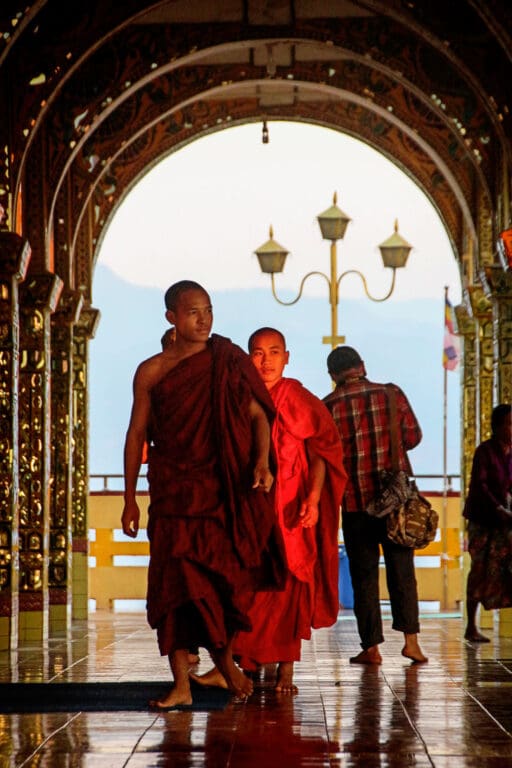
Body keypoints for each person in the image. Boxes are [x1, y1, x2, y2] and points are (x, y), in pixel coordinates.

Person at [121, 281, 287, 709]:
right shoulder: (152, 371)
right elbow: (136, 433)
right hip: (174, 493)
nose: (204, 319)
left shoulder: (226, 361)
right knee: (171, 590)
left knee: (220, 584)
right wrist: (128, 498)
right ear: (171, 318)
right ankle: (181, 684)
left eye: (208, 310)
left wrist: (263, 462)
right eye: (193, 311)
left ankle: (223, 659)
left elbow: (258, 416)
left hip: (218, 493)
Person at [191, 327, 346, 693]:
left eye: (274, 352)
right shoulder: (240, 397)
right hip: (251, 506)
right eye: (258, 353)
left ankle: (285, 671)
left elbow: (320, 452)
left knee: (289, 587)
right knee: (248, 586)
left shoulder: (299, 398)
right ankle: (241, 664)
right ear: (247, 358)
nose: (266, 361)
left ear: (287, 357)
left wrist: (312, 499)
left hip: (291, 509)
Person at [323, 345, 427, 665]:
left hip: (354, 504)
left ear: (333, 376)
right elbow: (413, 437)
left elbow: (324, 456)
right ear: (362, 366)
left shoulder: (327, 407)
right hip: (394, 503)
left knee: (363, 575)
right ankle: (411, 643)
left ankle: (371, 649)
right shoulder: (391, 395)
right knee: (402, 571)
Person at [463, 403, 512, 642]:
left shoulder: (511, 453)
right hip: (483, 520)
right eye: (509, 424)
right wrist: (497, 508)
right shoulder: (485, 451)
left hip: (504, 521)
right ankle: (471, 625)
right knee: (479, 569)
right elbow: (480, 485)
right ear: (498, 426)